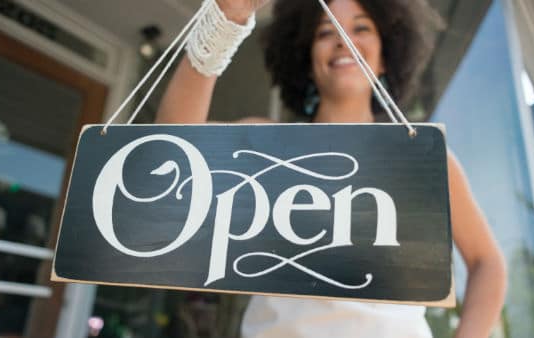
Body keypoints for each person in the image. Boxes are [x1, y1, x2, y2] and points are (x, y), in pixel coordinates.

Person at [155, 0, 507, 337]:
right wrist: (224, 21)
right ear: (306, 57)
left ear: (386, 55)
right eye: (326, 32)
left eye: (362, 27)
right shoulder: (268, 143)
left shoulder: (423, 156)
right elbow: (171, 147)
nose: (343, 39)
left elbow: (487, 262)